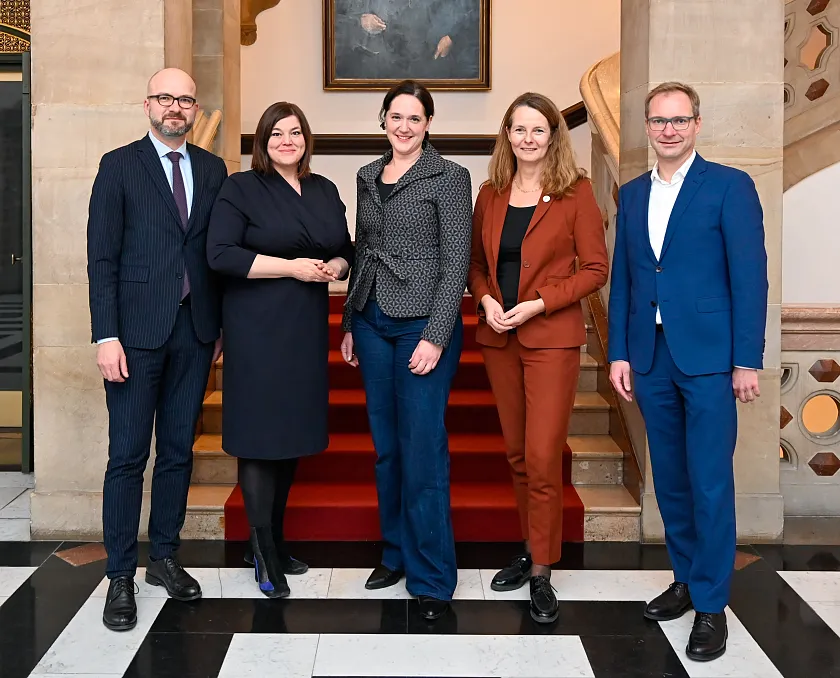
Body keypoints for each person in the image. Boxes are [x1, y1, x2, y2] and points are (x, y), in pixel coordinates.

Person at [608, 81, 768, 661]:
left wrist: (746, 359)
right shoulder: (632, 193)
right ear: (647, 128)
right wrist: (619, 352)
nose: (669, 130)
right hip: (649, 357)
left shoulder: (729, 186)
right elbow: (625, 279)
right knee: (671, 480)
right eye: (659, 120)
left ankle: (711, 604)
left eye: (679, 120)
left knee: (709, 481)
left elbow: (750, 278)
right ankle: (685, 578)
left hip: (709, 359)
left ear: (697, 124)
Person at [87, 68, 227, 631]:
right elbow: (102, 258)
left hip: (194, 333)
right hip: (134, 337)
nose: (176, 107)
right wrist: (106, 335)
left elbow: (216, 253)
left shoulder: (213, 170)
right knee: (127, 457)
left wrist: (218, 329)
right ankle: (120, 575)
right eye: (166, 97)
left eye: (185, 100)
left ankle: (164, 558)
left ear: (195, 109)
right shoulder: (119, 165)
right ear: (147, 104)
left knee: (176, 453)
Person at [467, 93, 608, 624]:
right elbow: (476, 265)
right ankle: (530, 548)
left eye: (538, 130)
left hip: (550, 338)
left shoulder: (576, 192)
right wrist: (485, 299)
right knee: (518, 455)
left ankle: (543, 570)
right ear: (507, 134)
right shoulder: (491, 193)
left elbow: (595, 269)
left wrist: (539, 303)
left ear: (553, 136)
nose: (528, 139)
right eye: (519, 129)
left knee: (544, 455)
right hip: (499, 338)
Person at [207, 102, 353, 597]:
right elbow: (220, 254)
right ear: (263, 142)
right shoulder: (241, 187)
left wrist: (336, 265)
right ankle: (262, 546)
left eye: (295, 132)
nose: (286, 141)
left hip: (304, 327)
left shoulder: (323, 189)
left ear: (306, 139)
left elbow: (345, 247)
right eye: (276, 133)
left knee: (291, 434)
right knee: (259, 435)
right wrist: (292, 267)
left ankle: (272, 540)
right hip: (257, 326)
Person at [339, 80, 472, 621]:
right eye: (396, 116)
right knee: (388, 448)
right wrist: (349, 321)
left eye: (415, 118)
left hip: (421, 323)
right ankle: (395, 553)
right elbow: (363, 251)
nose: (404, 126)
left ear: (428, 124)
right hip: (371, 321)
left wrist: (436, 335)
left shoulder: (450, 176)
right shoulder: (367, 174)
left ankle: (433, 577)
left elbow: (456, 261)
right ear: (383, 120)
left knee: (422, 448)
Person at [334, 0, 479, 81]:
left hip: (431, 66)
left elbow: (477, 12)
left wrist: (453, 38)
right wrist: (360, 21)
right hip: (378, 69)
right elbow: (334, 18)